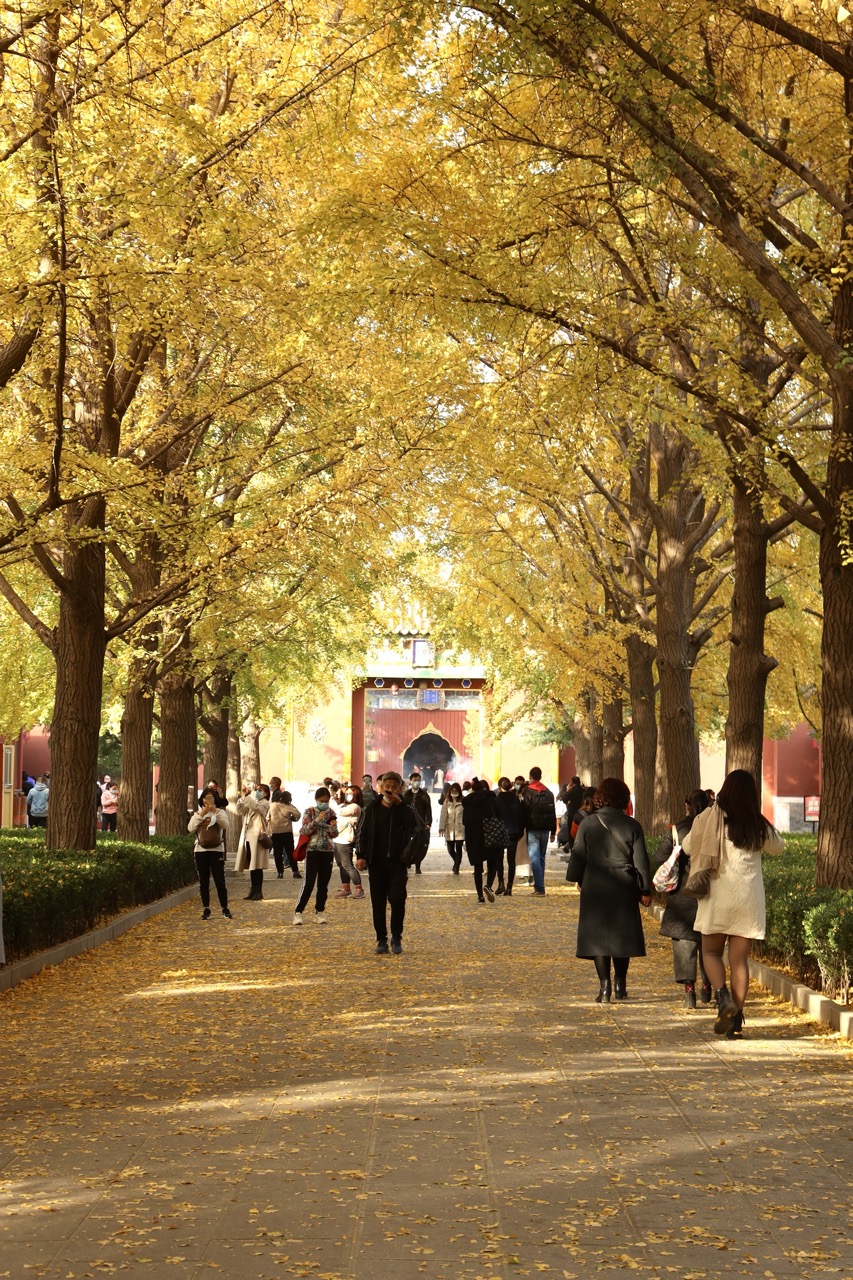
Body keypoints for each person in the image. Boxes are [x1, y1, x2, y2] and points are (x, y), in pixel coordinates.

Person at [683, 769, 784, 1038]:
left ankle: (722, 996)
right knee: (739, 961)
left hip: (717, 898)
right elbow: (779, 847)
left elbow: (687, 846)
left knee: (711, 954)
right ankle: (735, 1023)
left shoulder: (709, 817)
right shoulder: (757, 824)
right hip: (747, 902)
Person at [566, 777, 652, 1002]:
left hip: (595, 882)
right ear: (623, 798)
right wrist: (645, 889)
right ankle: (620, 983)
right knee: (621, 935)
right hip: (624, 884)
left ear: (600, 797)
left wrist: (576, 878)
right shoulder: (632, 825)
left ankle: (604, 987)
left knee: (597, 936)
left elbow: (579, 855)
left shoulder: (588, 823)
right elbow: (641, 861)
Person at [657, 790, 713, 1007]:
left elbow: (661, 856)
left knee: (684, 943)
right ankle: (708, 987)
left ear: (687, 805)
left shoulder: (677, 830)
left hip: (683, 893)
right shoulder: (713, 828)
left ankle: (689, 992)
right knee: (709, 945)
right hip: (708, 893)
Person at [354, 771, 418, 954]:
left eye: (394, 787)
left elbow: (415, 826)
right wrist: (360, 855)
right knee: (378, 902)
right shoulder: (371, 809)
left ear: (400, 788)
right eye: (387, 787)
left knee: (398, 899)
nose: (390, 790)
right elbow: (361, 833)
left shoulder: (405, 808)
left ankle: (396, 937)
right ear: (380, 788)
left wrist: (402, 805)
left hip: (398, 863)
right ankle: (381, 939)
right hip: (376, 862)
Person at [293, 787, 339, 924]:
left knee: (323, 884)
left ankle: (320, 911)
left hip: (327, 851)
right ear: (316, 800)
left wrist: (333, 827)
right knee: (309, 883)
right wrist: (318, 820)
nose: (324, 804)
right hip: (312, 850)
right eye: (321, 801)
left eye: (326, 801)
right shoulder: (310, 811)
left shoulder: (331, 812)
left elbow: (335, 834)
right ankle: (298, 912)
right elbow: (304, 830)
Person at [188, 788, 231, 919]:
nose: (208, 800)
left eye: (211, 798)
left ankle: (224, 908)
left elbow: (225, 825)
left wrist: (214, 812)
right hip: (201, 851)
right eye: (206, 798)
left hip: (216, 850)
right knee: (204, 881)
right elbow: (190, 829)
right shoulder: (198, 813)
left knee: (220, 881)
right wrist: (203, 814)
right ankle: (206, 908)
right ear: (202, 799)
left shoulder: (220, 812)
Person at [462, 779, 502, 904]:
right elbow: (499, 815)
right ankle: (488, 885)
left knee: (478, 866)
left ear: (473, 790)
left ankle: (480, 896)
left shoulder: (468, 802)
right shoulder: (491, 799)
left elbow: (464, 821)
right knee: (493, 862)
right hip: (490, 834)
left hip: (473, 836)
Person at [521, 767, 557, 895]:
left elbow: (524, 810)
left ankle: (540, 887)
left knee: (534, 858)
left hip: (533, 828)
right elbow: (553, 812)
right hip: (546, 829)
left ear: (530, 776)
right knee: (541, 858)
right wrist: (553, 831)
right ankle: (539, 885)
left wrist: (522, 827)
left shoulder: (528, 792)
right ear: (540, 776)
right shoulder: (549, 792)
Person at [236, 782, 271, 900]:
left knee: (258, 865)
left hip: (258, 837)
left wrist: (249, 797)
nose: (259, 792)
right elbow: (240, 810)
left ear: (266, 794)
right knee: (252, 864)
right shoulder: (252, 801)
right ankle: (252, 890)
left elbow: (257, 808)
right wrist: (242, 797)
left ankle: (258, 891)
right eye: (258, 789)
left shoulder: (265, 803)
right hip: (248, 836)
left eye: (261, 790)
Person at [333, 784, 365, 898]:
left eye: (350, 794)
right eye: (346, 793)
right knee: (341, 865)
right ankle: (346, 888)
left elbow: (339, 812)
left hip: (346, 840)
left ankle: (359, 889)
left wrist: (333, 800)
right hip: (337, 838)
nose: (347, 796)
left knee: (348, 865)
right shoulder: (343, 805)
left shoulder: (355, 807)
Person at [494, 776, 524, 895]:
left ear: (500, 787)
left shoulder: (496, 800)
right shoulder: (516, 799)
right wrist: (520, 831)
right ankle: (509, 887)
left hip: (499, 832)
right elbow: (521, 816)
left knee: (499, 859)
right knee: (511, 860)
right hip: (513, 832)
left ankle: (500, 883)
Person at [269, 786, 302, 879]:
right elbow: (298, 815)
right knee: (290, 852)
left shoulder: (273, 805)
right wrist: (292, 818)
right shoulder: (289, 806)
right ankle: (295, 871)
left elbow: (268, 817)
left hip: (275, 832)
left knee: (277, 853)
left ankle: (280, 872)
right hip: (286, 832)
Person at [403, 771, 433, 874]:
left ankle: (418, 865)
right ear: (410, 781)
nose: (417, 782)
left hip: (420, 823)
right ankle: (407, 862)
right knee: (407, 843)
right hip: (408, 823)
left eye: (418, 780)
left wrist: (428, 822)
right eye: (415, 780)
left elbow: (428, 810)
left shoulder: (424, 795)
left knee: (419, 844)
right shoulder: (405, 795)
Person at [439, 782, 465, 873]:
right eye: (452, 790)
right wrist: (441, 827)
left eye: (456, 790)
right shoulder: (447, 801)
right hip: (449, 829)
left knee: (458, 848)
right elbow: (443, 815)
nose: (454, 792)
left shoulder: (463, 801)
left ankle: (456, 867)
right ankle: (457, 861)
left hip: (460, 829)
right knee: (450, 849)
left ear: (459, 791)